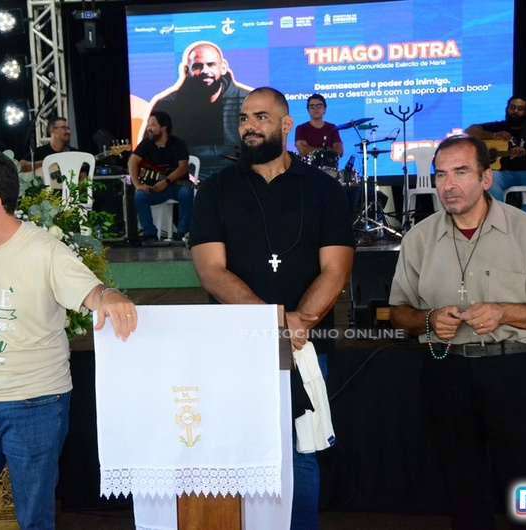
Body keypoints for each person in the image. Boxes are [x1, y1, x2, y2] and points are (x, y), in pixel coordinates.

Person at [0, 149, 137, 529]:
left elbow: (93, 293)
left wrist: (110, 296)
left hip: (34, 401)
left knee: (34, 518)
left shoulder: (44, 249)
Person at [388, 135, 526, 530]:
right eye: (441, 175)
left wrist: (503, 312)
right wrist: (428, 320)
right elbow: (398, 312)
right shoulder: (419, 238)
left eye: (461, 172)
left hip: (513, 368)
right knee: (463, 489)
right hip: (447, 370)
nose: (448, 185)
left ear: (485, 178)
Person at [189, 87, 355, 529]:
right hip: (236, 345)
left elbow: (336, 270)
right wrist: (276, 321)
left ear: (285, 124)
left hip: (303, 346)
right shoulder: (215, 189)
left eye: (260, 117)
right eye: (244, 118)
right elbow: (211, 271)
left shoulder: (324, 189)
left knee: (301, 454)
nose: (249, 126)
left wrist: (296, 327)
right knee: (237, 453)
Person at [147, 41, 252, 179]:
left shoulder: (247, 102)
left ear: (223, 68)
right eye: (197, 66)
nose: (205, 71)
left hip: (238, 177)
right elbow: (148, 153)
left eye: (211, 64)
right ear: (187, 71)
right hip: (184, 178)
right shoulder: (166, 105)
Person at [465, 96, 526, 215]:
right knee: (489, 179)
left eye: (520, 109)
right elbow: (469, 131)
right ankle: (501, 215)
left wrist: (525, 152)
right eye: (512, 107)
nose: (515, 111)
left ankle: (523, 215)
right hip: (503, 173)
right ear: (507, 109)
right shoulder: (499, 127)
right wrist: (494, 135)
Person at [128, 110, 194, 243]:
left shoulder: (178, 143)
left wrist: (166, 182)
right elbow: (132, 162)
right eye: (148, 125)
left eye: (152, 125)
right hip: (156, 188)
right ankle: (150, 233)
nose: (149, 128)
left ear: (164, 127)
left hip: (176, 186)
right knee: (140, 196)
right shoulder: (147, 143)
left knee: (187, 192)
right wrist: (137, 185)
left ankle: (183, 232)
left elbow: (183, 167)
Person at [294, 94, 344, 159]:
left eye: (319, 105)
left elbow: (340, 151)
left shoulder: (332, 128)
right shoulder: (301, 128)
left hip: (329, 164)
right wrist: (328, 149)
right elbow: (303, 151)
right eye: (312, 106)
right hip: (308, 165)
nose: (315, 109)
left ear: (324, 109)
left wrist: (311, 149)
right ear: (308, 110)